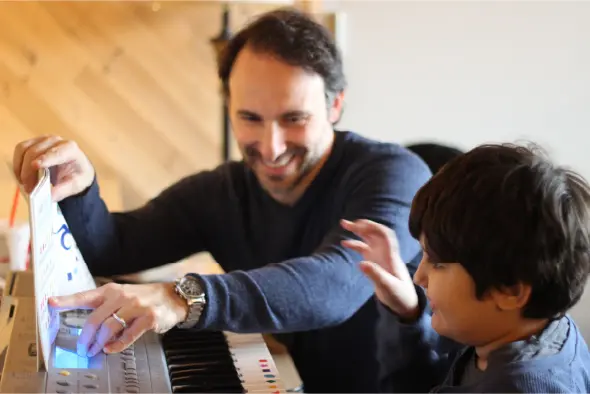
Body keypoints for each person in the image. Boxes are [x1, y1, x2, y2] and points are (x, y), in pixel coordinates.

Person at [12, 8, 431, 393]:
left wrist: (184, 296)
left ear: (335, 105)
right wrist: (81, 190)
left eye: (293, 118)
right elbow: (114, 247)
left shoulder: (394, 175)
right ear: (230, 108)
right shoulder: (221, 192)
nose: (271, 147)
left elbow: (334, 285)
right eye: (250, 118)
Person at [342, 143, 590, 393]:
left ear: (510, 291)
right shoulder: (513, 331)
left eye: (437, 263)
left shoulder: (521, 386)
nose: (419, 276)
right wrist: (407, 311)